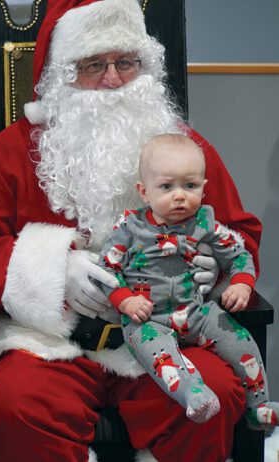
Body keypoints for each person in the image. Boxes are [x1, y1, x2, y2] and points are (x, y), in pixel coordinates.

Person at [0, 0, 262, 461]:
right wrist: (56, 271)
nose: (113, 80)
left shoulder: (181, 149)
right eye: (94, 65)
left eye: (125, 62)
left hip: (167, 335)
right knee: (17, 407)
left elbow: (238, 231)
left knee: (213, 393)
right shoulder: (11, 152)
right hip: (51, 342)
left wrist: (218, 269)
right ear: (62, 74)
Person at [97, 133, 277, 429]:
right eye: (167, 187)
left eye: (190, 186)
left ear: (204, 188)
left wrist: (241, 283)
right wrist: (125, 301)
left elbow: (238, 254)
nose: (179, 195)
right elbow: (107, 268)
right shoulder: (129, 227)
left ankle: (259, 407)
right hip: (147, 319)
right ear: (144, 191)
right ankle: (194, 396)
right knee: (162, 359)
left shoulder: (205, 223)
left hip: (196, 312)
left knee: (240, 340)